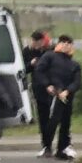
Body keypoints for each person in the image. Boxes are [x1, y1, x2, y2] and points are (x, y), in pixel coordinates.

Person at [34, 34, 81, 159]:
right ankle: (47, 146)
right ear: (59, 44)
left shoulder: (74, 64)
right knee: (52, 121)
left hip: (67, 95)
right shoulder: (49, 56)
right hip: (54, 93)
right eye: (63, 42)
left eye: (69, 43)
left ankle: (62, 148)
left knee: (65, 122)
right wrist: (47, 85)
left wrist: (68, 91)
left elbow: (77, 81)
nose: (66, 45)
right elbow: (39, 71)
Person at [19, 27, 54, 155]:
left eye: (39, 42)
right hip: (38, 87)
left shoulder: (48, 51)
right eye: (34, 42)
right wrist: (31, 64)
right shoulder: (27, 51)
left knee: (55, 116)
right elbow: (23, 69)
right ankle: (46, 145)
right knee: (43, 117)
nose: (36, 45)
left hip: (51, 86)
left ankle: (62, 143)